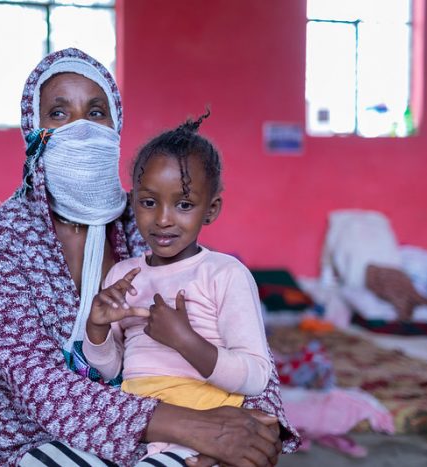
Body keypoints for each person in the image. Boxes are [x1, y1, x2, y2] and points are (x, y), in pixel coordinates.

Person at [0, 48, 299, 467]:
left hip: (173, 421)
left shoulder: (146, 218)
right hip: (46, 436)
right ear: (33, 129)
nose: (81, 129)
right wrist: (195, 427)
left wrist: (259, 424)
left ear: (116, 125)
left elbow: (239, 333)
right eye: (57, 114)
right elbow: (40, 384)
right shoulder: (1, 238)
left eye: (95, 112)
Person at [83, 113, 274, 460]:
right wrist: (96, 329)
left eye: (184, 204)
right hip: (140, 420)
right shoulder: (123, 275)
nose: (163, 218)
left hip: (204, 417)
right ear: (134, 202)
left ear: (211, 209)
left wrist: (185, 341)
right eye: (149, 202)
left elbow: (258, 376)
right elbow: (111, 370)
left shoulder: (224, 274)